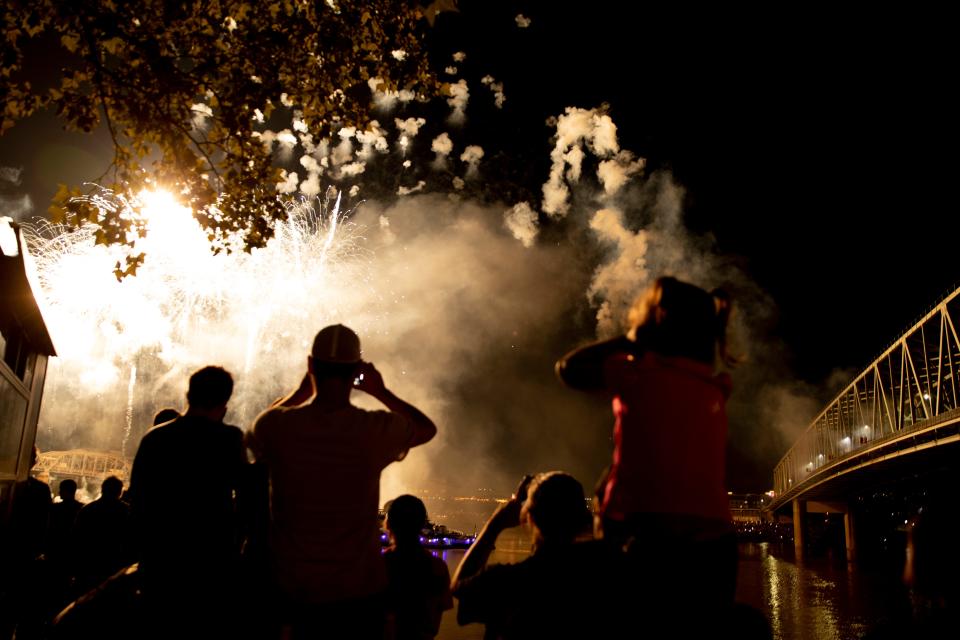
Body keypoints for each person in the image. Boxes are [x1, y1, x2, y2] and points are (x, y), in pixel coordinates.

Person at [556, 276, 739, 617]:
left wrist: (631, 341)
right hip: (716, 546)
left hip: (644, 535)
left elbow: (568, 369)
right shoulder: (716, 386)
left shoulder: (636, 373)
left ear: (658, 318)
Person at [249, 324, 437, 639]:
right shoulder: (373, 429)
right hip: (358, 594)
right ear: (357, 371)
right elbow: (425, 428)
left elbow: (258, 428)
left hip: (292, 592)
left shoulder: (280, 427)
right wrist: (381, 391)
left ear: (310, 366)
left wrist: (301, 393)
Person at [128, 365, 247, 636]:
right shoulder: (229, 439)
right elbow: (247, 501)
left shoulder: (155, 438)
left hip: (160, 564)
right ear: (225, 403)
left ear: (188, 394)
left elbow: (138, 502)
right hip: (212, 567)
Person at [451, 472, 626, 639]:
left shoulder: (509, 582)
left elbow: (459, 590)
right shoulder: (607, 574)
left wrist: (495, 523)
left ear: (528, 518)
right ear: (582, 519)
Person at [382, 495, 453, 640]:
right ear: (422, 524)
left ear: (388, 524)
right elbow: (436, 618)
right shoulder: (438, 567)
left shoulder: (379, 565)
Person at [72, 477, 129, 596]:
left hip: (89, 563)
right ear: (120, 492)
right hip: (115, 566)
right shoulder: (127, 512)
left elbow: (77, 538)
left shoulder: (87, 510)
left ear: (102, 489)